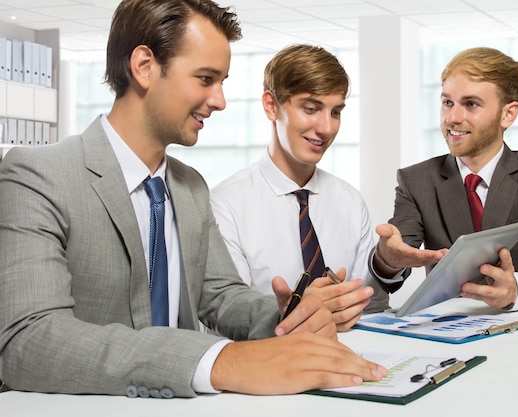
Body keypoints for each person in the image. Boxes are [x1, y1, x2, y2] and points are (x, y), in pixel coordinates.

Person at [0, 0, 387, 398]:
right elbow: (29, 339)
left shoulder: (190, 187)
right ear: (145, 66)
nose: (219, 100)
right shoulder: (38, 174)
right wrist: (220, 361)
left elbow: (220, 297)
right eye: (205, 79)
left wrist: (289, 316)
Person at [370, 47, 518, 311]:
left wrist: (515, 290)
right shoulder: (416, 180)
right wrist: (388, 259)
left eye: (470, 104)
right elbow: (399, 251)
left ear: (508, 114)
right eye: (448, 102)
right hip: (446, 331)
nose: (452, 118)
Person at [210, 44, 389, 331]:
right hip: (270, 366)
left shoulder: (350, 202)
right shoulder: (225, 205)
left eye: (336, 112)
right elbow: (225, 316)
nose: (327, 128)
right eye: (311, 108)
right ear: (271, 105)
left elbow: (371, 305)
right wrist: (293, 315)